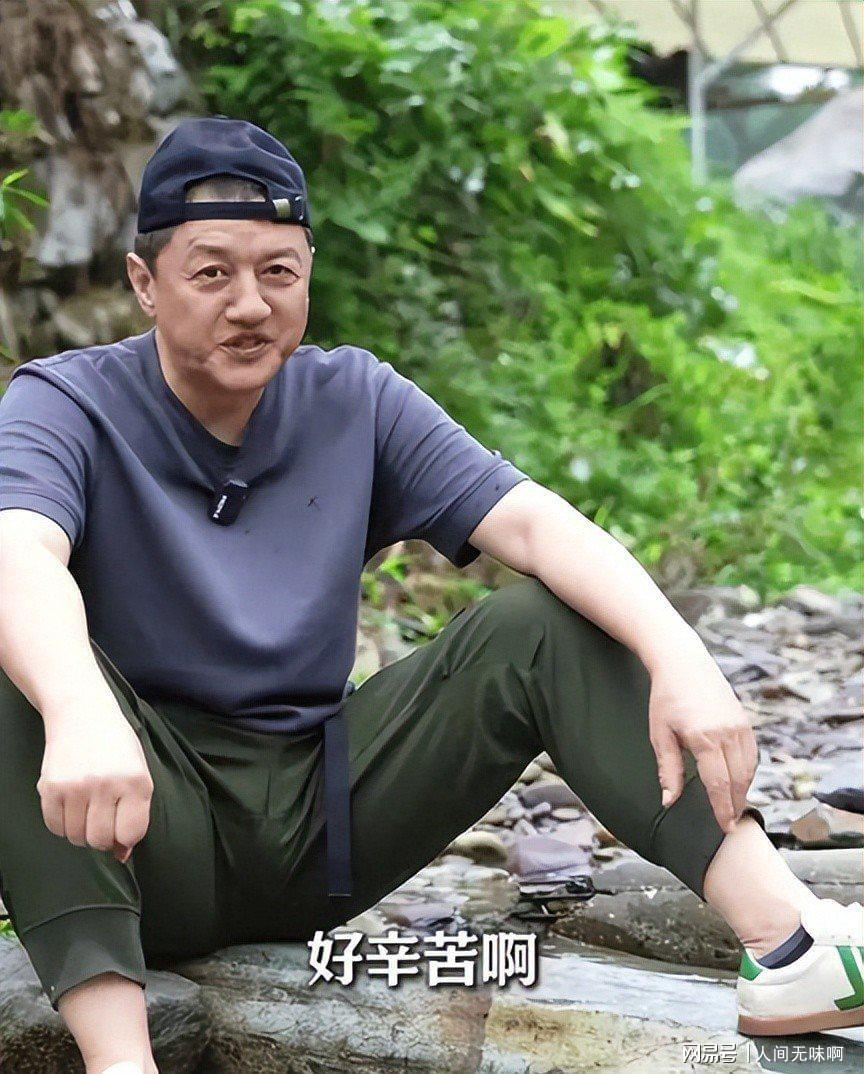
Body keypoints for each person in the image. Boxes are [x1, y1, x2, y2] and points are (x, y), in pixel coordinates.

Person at [0, 116, 859, 1074]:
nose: (250, 304)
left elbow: (533, 525)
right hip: (138, 836)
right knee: (19, 656)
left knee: (544, 620)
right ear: (144, 282)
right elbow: (17, 550)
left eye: (279, 272)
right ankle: (122, 1060)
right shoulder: (65, 403)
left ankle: (790, 942)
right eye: (212, 273)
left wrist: (681, 659)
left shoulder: (353, 399)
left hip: (321, 834)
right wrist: (77, 710)